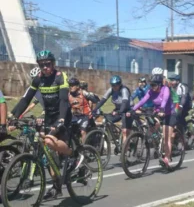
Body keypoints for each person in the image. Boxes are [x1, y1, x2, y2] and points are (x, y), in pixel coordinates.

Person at [10, 50, 82, 199]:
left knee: (49, 141)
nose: (45, 68)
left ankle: (73, 156)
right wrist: (13, 116)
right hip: (49, 116)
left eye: (48, 64)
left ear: (53, 64)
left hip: (63, 115)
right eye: (42, 65)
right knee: (47, 151)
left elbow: (63, 100)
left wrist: (61, 119)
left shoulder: (60, 77)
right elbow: (26, 99)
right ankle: (56, 186)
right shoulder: (38, 79)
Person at [132, 67, 176, 168]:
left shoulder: (165, 89)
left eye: (154, 85)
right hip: (158, 113)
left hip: (169, 114)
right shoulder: (151, 91)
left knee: (166, 138)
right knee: (151, 125)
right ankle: (155, 141)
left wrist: (162, 109)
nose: (152, 87)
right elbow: (142, 101)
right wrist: (132, 109)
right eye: (151, 85)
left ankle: (167, 158)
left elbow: (164, 100)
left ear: (159, 84)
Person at [92, 75, 132, 144]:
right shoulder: (111, 90)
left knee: (125, 131)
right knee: (106, 120)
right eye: (112, 85)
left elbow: (125, 102)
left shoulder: (124, 90)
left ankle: (124, 152)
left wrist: (120, 111)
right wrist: (95, 109)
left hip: (128, 109)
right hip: (118, 109)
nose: (114, 87)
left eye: (116, 85)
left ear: (119, 84)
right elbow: (103, 100)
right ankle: (115, 136)